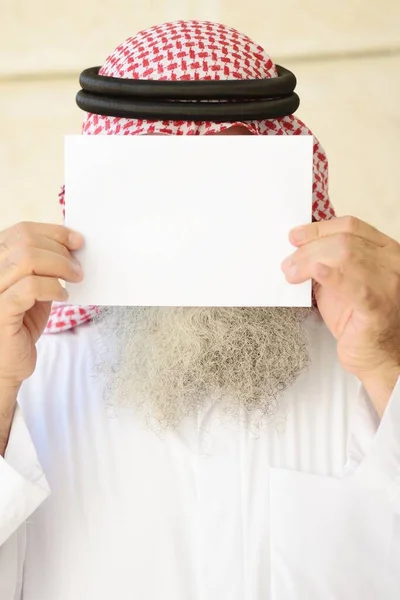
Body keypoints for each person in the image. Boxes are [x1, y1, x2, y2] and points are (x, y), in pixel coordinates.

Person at [0, 20, 399, 600]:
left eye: (224, 179)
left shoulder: (370, 356)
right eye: (158, 178)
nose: (192, 223)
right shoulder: (29, 378)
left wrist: (390, 365)